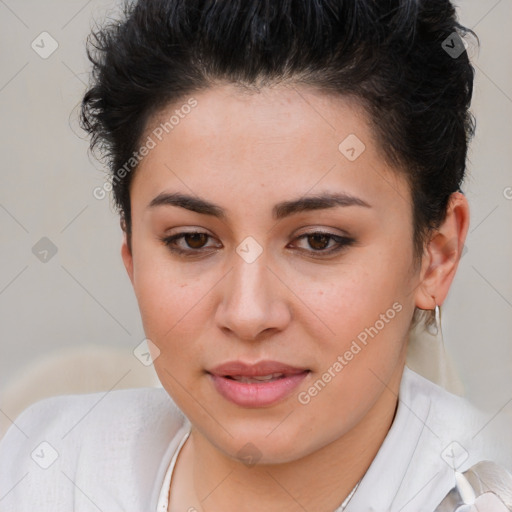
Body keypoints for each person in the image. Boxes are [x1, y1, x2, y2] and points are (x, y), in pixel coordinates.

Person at [0, 0, 511, 511]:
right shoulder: (45, 468)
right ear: (131, 253)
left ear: (437, 255)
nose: (248, 314)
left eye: (318, 240)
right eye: (192, 240)